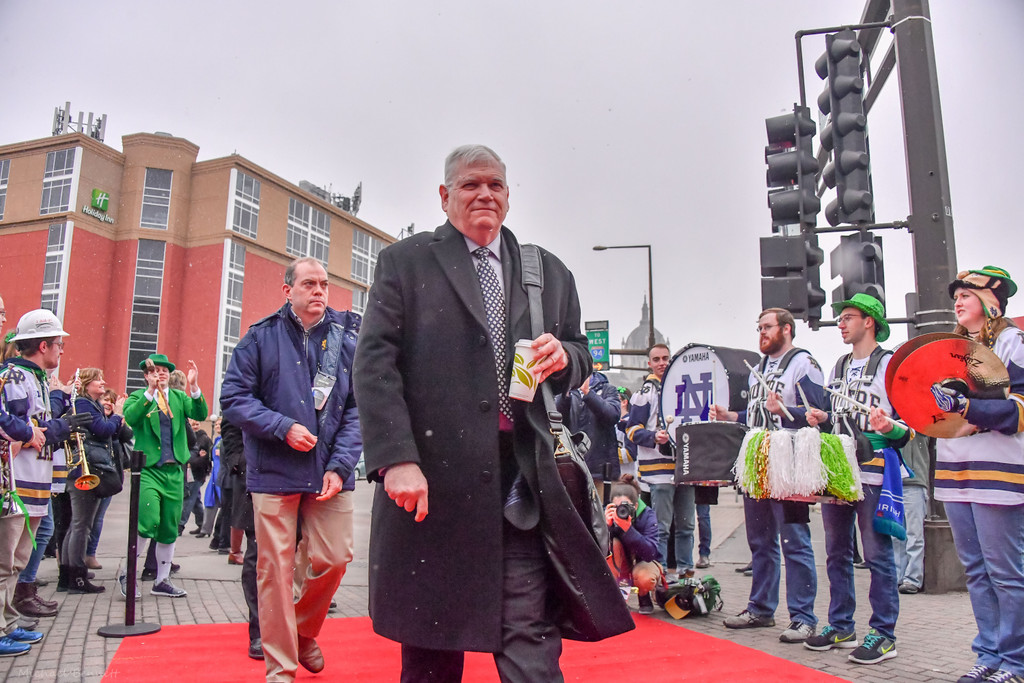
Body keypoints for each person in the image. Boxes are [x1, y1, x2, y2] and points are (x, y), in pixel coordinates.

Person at [353, 144, 629, 682]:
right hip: (433, 490)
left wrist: (564, 357)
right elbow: (375, 367)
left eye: (496, 185)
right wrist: (396, 459)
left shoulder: (545, 270)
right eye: (470, 184)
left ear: (508, 195)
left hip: (522, 488)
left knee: (533, 653)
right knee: (431, 655)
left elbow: (580, 351)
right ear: (444, 196)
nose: (485, 194)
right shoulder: (405, 263)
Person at [221, 256, 362, 683]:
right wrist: (282, 427)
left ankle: (303, 631)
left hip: (327, 473)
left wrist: (340, 465)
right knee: (274, 571)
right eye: (309, 284)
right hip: (273, 470)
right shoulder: (258, 338)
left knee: (336, 558)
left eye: (324, 284)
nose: (319, 291)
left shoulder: (346, 340)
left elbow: (359, 409)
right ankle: (280, 668)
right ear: (288, 291)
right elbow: (233, 399)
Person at [927, 266, 1024, 683]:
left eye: (967, 293)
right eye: (956, 296)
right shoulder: (953, 347)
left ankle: (1016, 662)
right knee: (976, 571)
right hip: (954, 466)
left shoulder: (1011, 342)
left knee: (1005, 573)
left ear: (993, 300)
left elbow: (1020, 408)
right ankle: (988, 653)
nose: (958, 300)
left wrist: (970, 408)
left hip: (998, 469)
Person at [803, 293, 906, 665]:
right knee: (836, 552)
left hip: (875, 469)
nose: (841, 324)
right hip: (839, 470)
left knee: (877, 556)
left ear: (869, 321)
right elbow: (838, 417)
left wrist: (889, 426)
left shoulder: (890, 363)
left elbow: (907, 429)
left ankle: (884, 633)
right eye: (840, 317)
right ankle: (841, 624)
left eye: (848, 317)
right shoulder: (841, 365)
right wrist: (822, 418)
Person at [710, 307, 821, 644]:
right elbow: (757, 411)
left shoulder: (803, 363)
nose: (761, 332)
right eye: (758, 327)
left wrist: (788, 412)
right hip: (757, 462)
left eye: (767, 327)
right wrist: (731, 415)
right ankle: (761, 608)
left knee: (794, 541)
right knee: (760, 541)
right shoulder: (760, 367)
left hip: (788, 464)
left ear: (786, 329)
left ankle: (803, 617)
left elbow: (820, 413)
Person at [1, 309, 89, 657]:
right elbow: (15, 422)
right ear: (42, 345)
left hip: (35, 480)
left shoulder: (36, 378)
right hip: (16, 480)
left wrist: (58, 417)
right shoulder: (12, 376)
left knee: (19, 559)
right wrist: (45, 431)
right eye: (57, 344)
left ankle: (8, 621)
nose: (61, 350)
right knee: (5, 560)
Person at [119, 353, 208, 599]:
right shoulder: (139, 397)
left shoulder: (179, 398)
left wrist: (194, 386)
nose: (160, 374)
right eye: (155, 370)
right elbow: (131, 417)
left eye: (164, 370)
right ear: (147, 375)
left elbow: (200, 413)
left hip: (174, 471)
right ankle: (128, 574)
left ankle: (162, 580)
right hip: (149, 470)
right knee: (147, 522)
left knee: (169, 526)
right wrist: (150, 391)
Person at [627, 343, 696, 579]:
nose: (662, 363)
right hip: (658, 470)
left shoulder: (684, 388)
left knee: (686, 526)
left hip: (684, 468)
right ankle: (662, 571)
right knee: (663, 527)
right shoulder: (644, 394)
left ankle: (686, 572)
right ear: (649, 363)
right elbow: (631, 430)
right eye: (656, 359)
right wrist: (654, 436)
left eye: (666, 358)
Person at [61, 367, 124, 594]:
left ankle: (72, 572)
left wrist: (113, 420)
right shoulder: (85, 404)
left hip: (90, 468)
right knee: (81, 525)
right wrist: (116, 414)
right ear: (86, 383)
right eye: (98, 379)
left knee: (79, 525)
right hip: (85, 470)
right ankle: (76, 577)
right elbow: (102, 429)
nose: (103, 382)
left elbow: (112, 432)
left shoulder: (91, 404)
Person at [220, 414, 262, 659]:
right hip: (255, 473)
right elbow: (232, 419)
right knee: (257, 556)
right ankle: (259, 632)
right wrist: (238, 459)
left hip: (300, 472)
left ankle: (299, 629)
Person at [555, 371, 620, 502]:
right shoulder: (565, 390)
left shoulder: (607, 389)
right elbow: (556, 419)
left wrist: (588, 393)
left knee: (603, 514)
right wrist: (565, 395)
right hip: (572, 468)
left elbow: (612, 415)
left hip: (600, 470)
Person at [605, 475, 662, 615]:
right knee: (614, 544)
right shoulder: (608, 515)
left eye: (625, 506)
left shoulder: (647, 515)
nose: (621, 511)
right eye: (616, 507)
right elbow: (594, 553)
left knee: (644, 578)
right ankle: (618, 598)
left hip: (645, 561)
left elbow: (650, 553)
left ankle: (644, 595)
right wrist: (604, 527)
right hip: (622, 561)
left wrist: (628, 530)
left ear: (635, 505)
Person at [895, 434, 931, 595]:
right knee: (896, 535)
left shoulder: (918, 422)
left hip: (915, 482)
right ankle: (898, 576)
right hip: (893, 482)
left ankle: (913, 578)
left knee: (914, 534)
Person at [180, 418, 211, 535]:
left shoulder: (203, 439)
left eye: (197, 424)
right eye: (192, 424)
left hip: (196, 474)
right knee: (195, 500)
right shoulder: (187, 437)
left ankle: (180, 525)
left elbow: (205, 458)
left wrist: (192, 460)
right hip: (188, 472)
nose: (195, 426)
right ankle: (203, 524)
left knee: (188, 499)